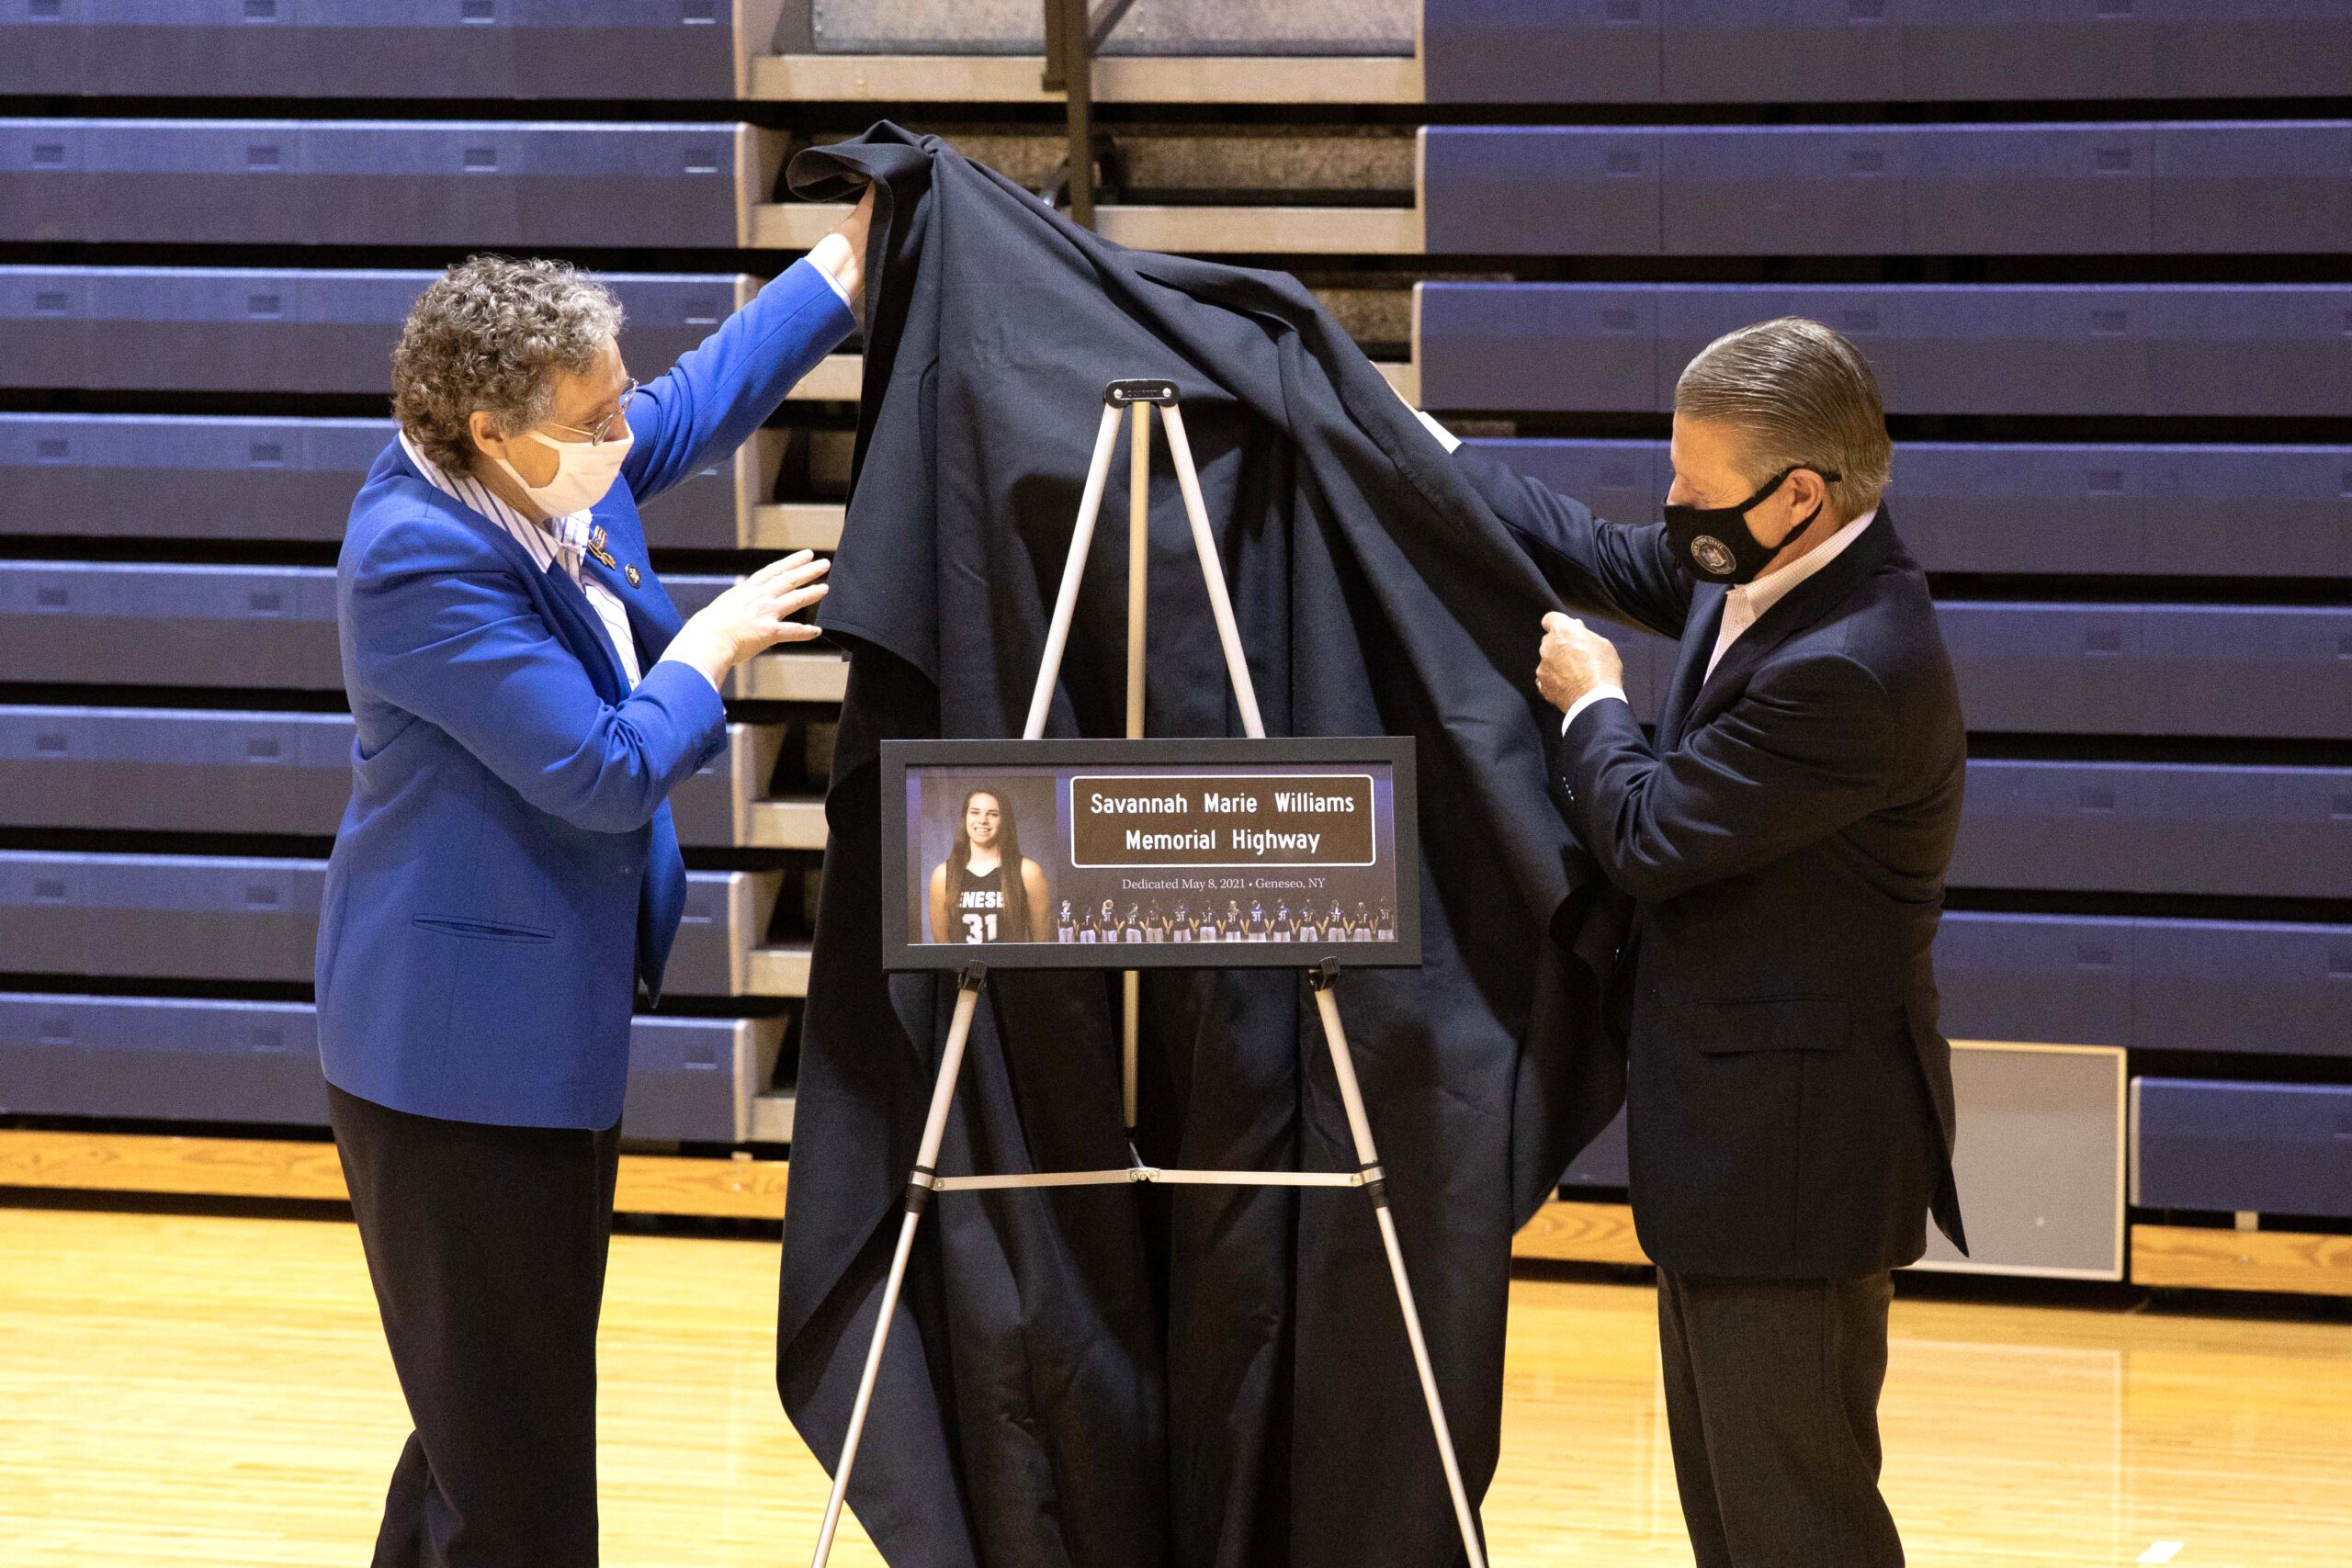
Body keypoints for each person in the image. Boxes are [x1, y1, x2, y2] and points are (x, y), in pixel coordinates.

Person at [316, 187, 873, 1568]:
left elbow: (690, 403)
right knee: (521, 1467)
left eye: (613, 403)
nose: (622, 437)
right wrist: (715, 644)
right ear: (491, 431)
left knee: (478, 1426)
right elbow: (603, 767)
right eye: (593, 418)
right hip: (454, 1065)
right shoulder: (415, 561)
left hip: (535, 1035)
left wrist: (842, 265)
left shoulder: (543, 461)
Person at [1431, 316, 1964, 1568]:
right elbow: (1590, 545)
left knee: (1799, 1520)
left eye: (1694, 484)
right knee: (1735, 1520)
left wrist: (1596, 701)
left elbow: (1650, 832)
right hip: (1740, 1155)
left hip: (1796, 1159)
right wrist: (1416, 446)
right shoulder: (1767, 572)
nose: (1671, 505)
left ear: (1798, 492)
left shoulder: (1853, 664)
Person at [928, 787, 1052, 944]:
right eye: (975, 812)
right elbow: (941, 946)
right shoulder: (943, 875)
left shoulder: (1028, 872)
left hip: (1012, 968)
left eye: (993, 814)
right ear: (965, 817)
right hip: (963, 968)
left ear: (1004, 820)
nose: (983, 820)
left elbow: (1041, 943)